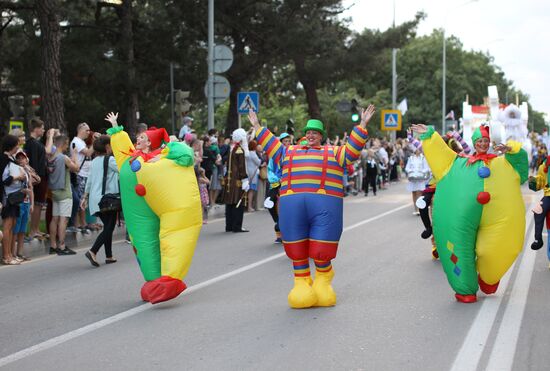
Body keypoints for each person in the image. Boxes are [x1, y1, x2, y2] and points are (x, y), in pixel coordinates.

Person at [250, 105, 375, 308]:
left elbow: (352, 150)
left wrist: (362, 124)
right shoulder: (287, 152)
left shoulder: (334, 153)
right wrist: (257, 125)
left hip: (325, 208)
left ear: (321, 136)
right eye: (308, 133)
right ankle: (301, 282)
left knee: (321, 248)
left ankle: (323, 278)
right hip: (293, 209)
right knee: (296, 248)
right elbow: (271, 144)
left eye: (314, 133)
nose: (310, 136)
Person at [411, 123, 528, 303]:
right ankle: (464, 287)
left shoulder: (503, 163)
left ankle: (489, 277)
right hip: (461, 215)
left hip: (497, 216)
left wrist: (511, 149)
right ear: (474, 143)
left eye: (485, 141)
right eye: (479, 141)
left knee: (494, 250)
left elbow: (521, 164)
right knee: (456, 247)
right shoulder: (459, 163)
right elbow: (441, 154)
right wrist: (429, 135)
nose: (483, 144)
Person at [105, 112, 202, 304]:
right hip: (139, 211)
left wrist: (168, 151)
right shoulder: (131, 158)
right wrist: (116, 127)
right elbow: (121, 148)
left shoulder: (162, 157)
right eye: (137, 138)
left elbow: (185, 155)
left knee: (172, 236)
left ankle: (170, 278)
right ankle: (154, 280)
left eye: (141, 138)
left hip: (167, 204)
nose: (137, 140)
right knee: (144, 241)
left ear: (149, 142)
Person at [81, 135, 119, 267]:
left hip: (95, 199)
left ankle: (109, 255)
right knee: (109, 227)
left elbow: (89, 181)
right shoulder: (111, 160)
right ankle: (93, 251)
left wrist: (84, 197)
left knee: (107, 226)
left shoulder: (94, 161)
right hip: (108, 198)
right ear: (108, 147)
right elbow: (123, 169)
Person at [48, 135, 80, 255]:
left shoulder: (51, 157)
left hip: (54, 191)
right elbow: (76, 168)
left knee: (54, 218)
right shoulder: (64, 157)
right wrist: (75, 155)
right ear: (63, 144)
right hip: (64, 191)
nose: (67, 147)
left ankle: (53, 245)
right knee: (64, 219)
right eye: (67, 144)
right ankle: (62, 246)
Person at [1, 135, 28, 265]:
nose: (18, 147)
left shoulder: (11, 159)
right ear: (11, 145)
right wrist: (18, 177)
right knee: (7, 226)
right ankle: (6, 256)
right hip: (7, 198)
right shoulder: (3, 160)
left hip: (15, 197)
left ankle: (11, 254)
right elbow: (4, 181)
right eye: (16, 144)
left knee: (12, 225)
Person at [24, 119, 52, 240]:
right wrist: (50, 137)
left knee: (39, 204)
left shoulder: (34, 143)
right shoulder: (33, 143)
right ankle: (33, 230)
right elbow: (45, 153)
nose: (44, 130)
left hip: (41, 176)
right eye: (42, 127)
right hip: (38, 177)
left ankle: (36, 229)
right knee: (37, 204)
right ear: (36, 129)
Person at [265, 132, 291, 243]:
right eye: (285, 141)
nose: (287, 143)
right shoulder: (273, 157)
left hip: (289, 183)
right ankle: (278, 223)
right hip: (277, 184)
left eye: (289, 141)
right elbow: (270, 171)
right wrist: (277, 179)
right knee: (269, 202)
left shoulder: (293, 154)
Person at [222, 128, 250, 233]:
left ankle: (229, 226)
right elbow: (241, 167)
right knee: (238, 203)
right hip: (237, 180)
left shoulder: (232, 148)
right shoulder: (239, 150)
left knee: (230, 204)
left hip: (229, 180)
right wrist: (245, 179)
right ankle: (237, 226)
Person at [69, 123, 94, 233]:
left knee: (83, 199)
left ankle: (83, 223)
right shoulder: (76, 142)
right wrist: (94, 142)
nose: (88, 132)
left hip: (84, 174)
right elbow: (88, 153)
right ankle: (80, 223)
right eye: (87, 130)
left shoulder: (81, 142)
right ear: (81, 130)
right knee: (81, 199)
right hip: (80, 174)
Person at [11, 151, 35, 261]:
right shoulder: (16, 171)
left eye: (23, 158)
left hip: (26, 202)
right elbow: (15, 187)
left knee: (22, 229)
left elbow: (31, 188)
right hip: (19, 202)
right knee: (16, 229)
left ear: (27, 159)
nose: (21, 160)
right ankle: (13, 253)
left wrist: (32, 204)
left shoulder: (28, 172)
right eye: (19, 159)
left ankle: (20, 253)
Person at [405, 148, 430, 215]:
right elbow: (407, 168)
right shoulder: (411, 158)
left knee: (420, 193)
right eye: (417, 149)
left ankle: (420, 209)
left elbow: (426, 168)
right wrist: (411, 171)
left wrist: (421, 172)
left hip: (420, 178)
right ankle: (415, 209)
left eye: (419, 149)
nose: (418, 151)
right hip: (413, 178)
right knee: (414, 193)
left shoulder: (423, 158)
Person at [246, 140, 261, 212]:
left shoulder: (247, 153)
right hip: (253, 174)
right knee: (251, 191)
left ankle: (248, 206)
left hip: (248, 172)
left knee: (248, 190)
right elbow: (258, 162)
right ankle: (249, 206)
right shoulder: (253, 154)